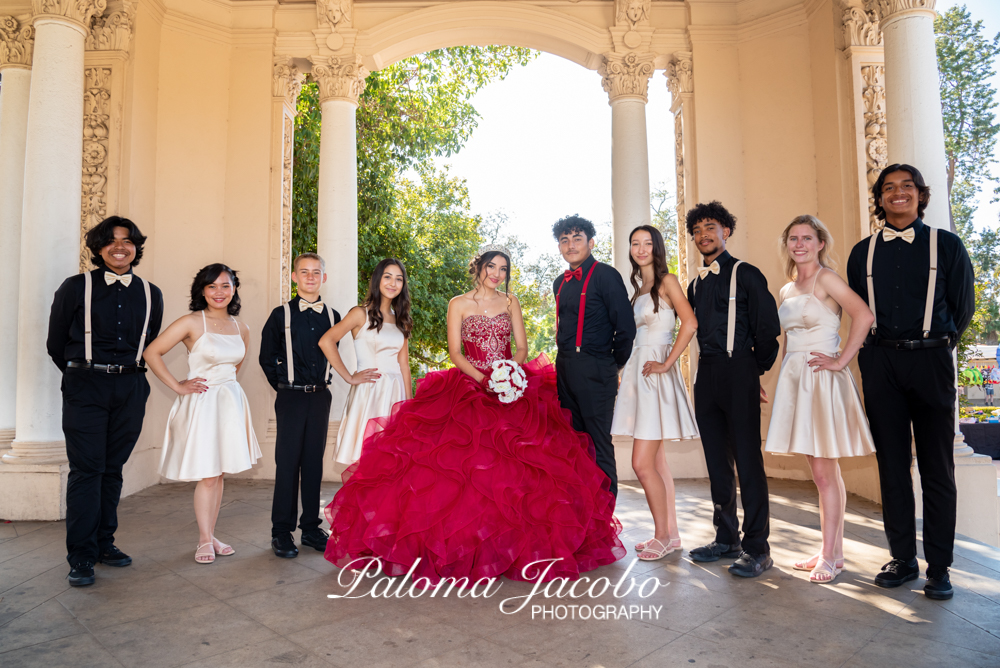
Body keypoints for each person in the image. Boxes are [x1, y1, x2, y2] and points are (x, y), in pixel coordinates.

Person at [324, 246, 625, 584]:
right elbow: (455, 352)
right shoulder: (458, 304)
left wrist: (509, 373)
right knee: (461, 473)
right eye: (491, 267)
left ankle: (513, 547)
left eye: (503, 269)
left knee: (519, 473)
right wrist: (485, 379)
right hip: (469, 387)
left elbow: (522, 348)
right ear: (478, 268)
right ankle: (465, 546)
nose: (497, 274)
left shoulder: (510, 303)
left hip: (512, 388)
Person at [847, 164, 975, 600]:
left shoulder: (948, 246)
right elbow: (859, 311)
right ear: (879, 198)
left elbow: (963, 308)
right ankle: (902, 558)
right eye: (889, 188)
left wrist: (935, 345)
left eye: (907, 187)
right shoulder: (861, 253)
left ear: (921, 195)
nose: (898, 194)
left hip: (931, 361)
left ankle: (939, 567)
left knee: (938, 466)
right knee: (892, 465)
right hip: (881, 363)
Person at [47, 216, 164, 587]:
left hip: (130, 387)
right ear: (99, 247)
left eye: (127, 241)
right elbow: (55, 343)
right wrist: (82, 373)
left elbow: (152, 342)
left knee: (112, 469)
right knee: (87, 469)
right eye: (111, 241)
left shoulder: (151, 292)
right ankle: (81, 555)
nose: (120, 247)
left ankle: (103, 543)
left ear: (136, 247)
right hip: (86, 385)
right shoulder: (75, 287)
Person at [764, 215, 875, 584]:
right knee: (820, 472)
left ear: (820, 243)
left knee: (826, 473)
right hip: (797, 381)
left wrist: (842, 360)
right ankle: (833, 550)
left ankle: (830, 555)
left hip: (823, 380)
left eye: (807, 238)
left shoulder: (826, 279)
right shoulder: (786, 290)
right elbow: (787, 342)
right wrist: (782, 382)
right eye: (793, 238)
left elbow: (864, 315)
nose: (800, 244)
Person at [685, 201, 781, 578]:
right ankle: (726, 538)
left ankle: (758, 548)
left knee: (748, 461)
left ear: (726, 231)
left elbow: (768, 331)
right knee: (716, 461)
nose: (704, 235)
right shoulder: (695, 284)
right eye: (697, 230)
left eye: (711, 227)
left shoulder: (747, 273)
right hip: (706, 374)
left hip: (739, 368)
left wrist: (752, 371)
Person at [144, 263, 261, 564]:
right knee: (208, 474)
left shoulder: (241, 328)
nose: (219, 292)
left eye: (225, 285)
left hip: (230, 403)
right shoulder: (191, 323)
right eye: (212, 286)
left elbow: (233, 368)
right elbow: (151, 353)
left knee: (218, 473)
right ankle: (203, 540)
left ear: (234, 288)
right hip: (204, 404)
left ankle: (211, 534)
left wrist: (226, 389)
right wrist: (179, 386)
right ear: (202, 290)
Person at [611, 225, 699, 561]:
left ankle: (662, 535)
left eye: (648, 243)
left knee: (641, 463)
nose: (641, 248)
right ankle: (670, 534)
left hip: (655, 374)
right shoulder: (639, 288)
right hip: (639, 374)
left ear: (657, 247)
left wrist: (666, 364)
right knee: (658, 462)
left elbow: (689, 323)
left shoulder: (667, 281)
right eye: (636, 243)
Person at [259, 253, 341, 559]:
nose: (310, 277)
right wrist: (285, 386)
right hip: (291, 397)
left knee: (313, 463)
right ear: (294, 277)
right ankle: (281, 531)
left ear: (324, 277)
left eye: (316, 272)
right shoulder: (280, 315)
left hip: (320, 396)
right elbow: (267, 358)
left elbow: (335, 355)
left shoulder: (334, 317)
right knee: (288, 463)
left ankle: (309, 528)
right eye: (303, 272)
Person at [552, 215, 636, 499]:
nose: (571, 245)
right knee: (574, 442)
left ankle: (605, 518)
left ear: (590, 242)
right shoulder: (559, 283)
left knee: (599, 442)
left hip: (596, 367)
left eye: (577, 239)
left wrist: (611, 363)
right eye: (565, 240)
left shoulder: (605, 275)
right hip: (564, 367)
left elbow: (625, 327)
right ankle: (582, 512)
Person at [322, 258, 412, 469]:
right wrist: (349, 377)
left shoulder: (402, 319)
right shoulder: (360, 313)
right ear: (377, 280)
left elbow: (404, 365)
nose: (393, 283)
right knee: (363, 458)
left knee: (391, 460)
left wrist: (408, 403)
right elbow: (326, 341)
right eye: (388, 277)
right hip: (369, 391)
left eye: (399, 279)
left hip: (395, 393)